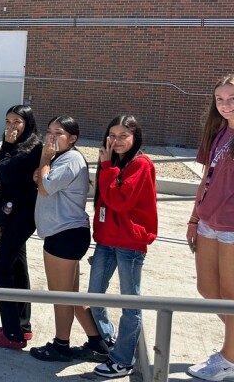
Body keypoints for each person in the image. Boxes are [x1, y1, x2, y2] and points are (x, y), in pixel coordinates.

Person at [81, 115, 157, 379]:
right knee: (93, 296)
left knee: (130, 304)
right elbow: (101, 203)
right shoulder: (111, 162)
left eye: (124, 135)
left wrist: (106, 167)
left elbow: (119, 201)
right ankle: (108, 338)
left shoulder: (141, 164)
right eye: (112, 135)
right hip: (106, 240)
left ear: (135, 137)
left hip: (129, 244)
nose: (117, 140)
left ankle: (123, 359)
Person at [29, 116, 98, 362]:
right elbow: (40, 180)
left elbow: (45, 186)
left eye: (58, 133)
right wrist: (44, 174)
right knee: (71, 295)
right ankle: (97, 342)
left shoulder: (70, 159)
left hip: (65, 233)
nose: (51, 138)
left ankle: (61, 345)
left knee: (60, 295)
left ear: (73, 138)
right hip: (64, 232)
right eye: (49, 132)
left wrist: (45, 161)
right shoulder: (63, 158)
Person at [186, 75, 234, 381]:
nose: (226, 105)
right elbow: (206, 178)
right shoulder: (219, 132)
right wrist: (193, 218)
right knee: (208, 289)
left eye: (231, 99)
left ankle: (228, 359)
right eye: (220, 99)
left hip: (231, 227)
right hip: (207, 223)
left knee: (230, 294)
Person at [0, 104, 42, 350]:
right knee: (18, 268)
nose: (11, 127)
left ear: (27, 123)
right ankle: (22, 325)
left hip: (22, 215)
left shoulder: (33, 147)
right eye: (8, 122)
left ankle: (13, 334)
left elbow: (4, 174)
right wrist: (7, 148)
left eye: (17, 122)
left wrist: (7, 148)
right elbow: (2, 174)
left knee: (0, 267)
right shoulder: (14, 145)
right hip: (10, 214)